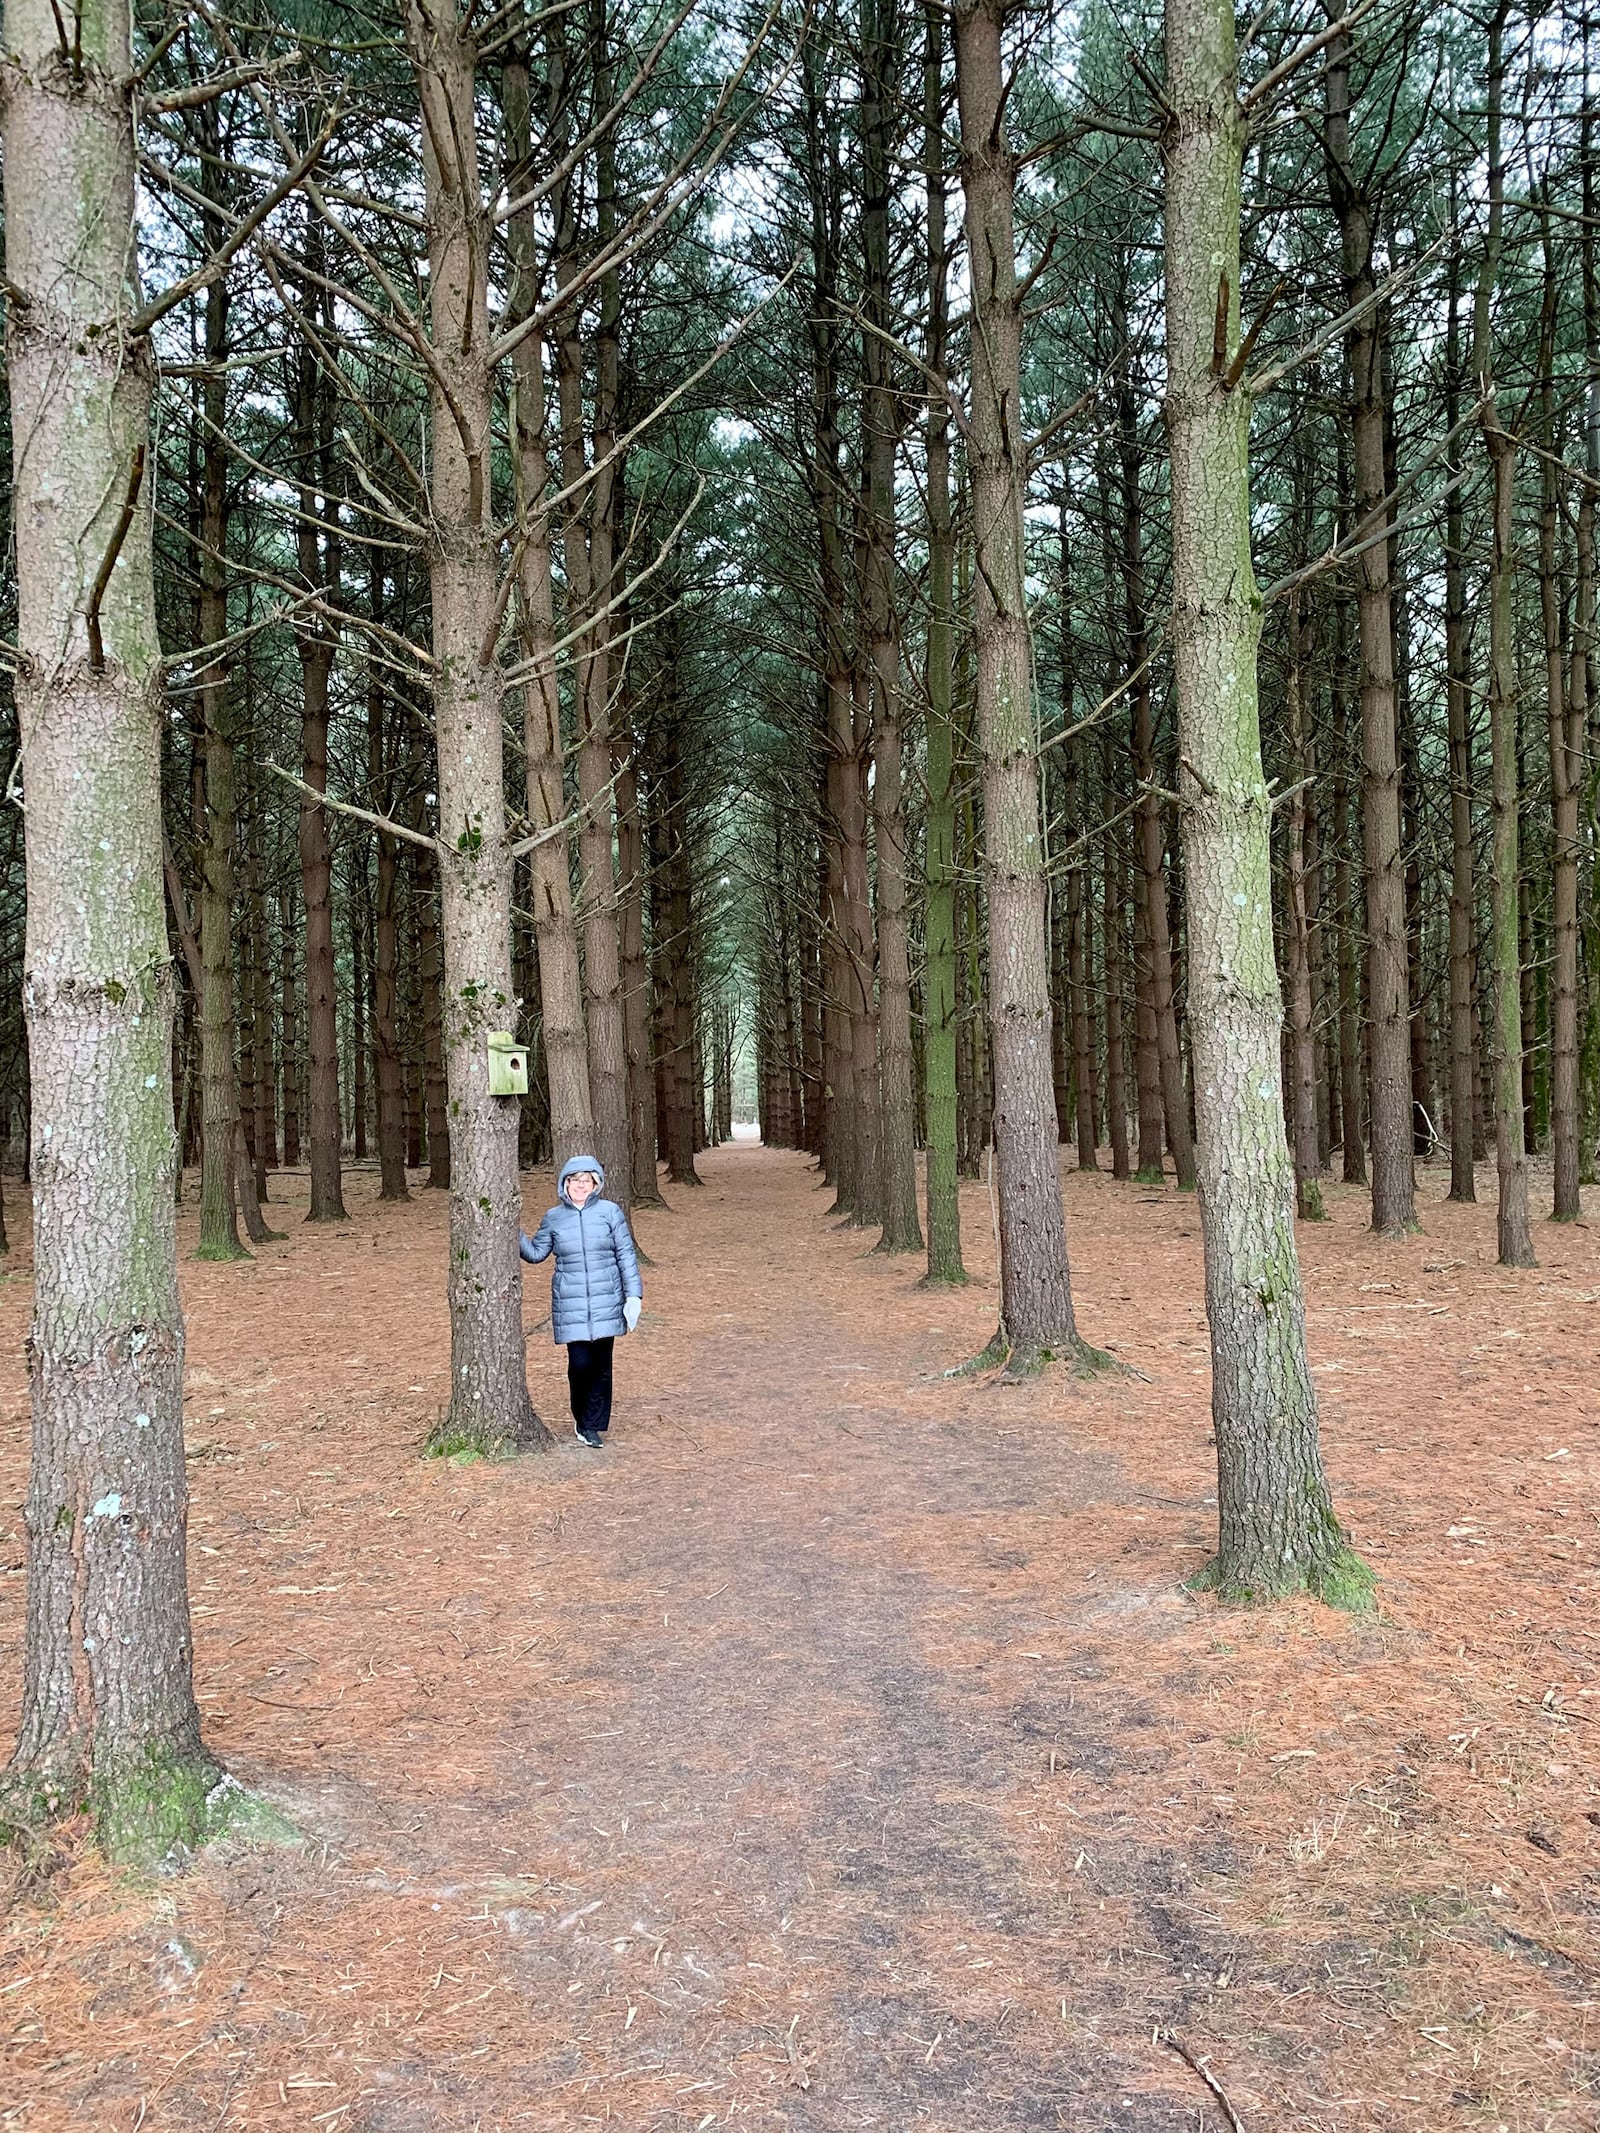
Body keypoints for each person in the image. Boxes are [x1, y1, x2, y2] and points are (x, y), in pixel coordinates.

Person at [520, 1155, 642, 1448]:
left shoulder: (610, 1213)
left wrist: (633, 1295)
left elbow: (626, 1254)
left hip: (607, 1300)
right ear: (565, 1184)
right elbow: (537, 1253)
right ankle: (581, 1417)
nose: (580, 1186)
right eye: (574, 1181)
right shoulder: (554, 1217)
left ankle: (592, 1425)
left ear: (595, 1184)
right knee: (579, 1365)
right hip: (571, 1303)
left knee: (601, 1366)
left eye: (586, 1181)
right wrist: (510, 1231)